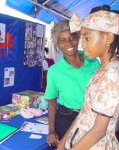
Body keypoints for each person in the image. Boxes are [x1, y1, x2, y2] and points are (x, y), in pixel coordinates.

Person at [58, 10, 119, 149]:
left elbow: (99, 131)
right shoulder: (101, 69)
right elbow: (84, 112)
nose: (82, 45)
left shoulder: (112, 74)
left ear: (108, 38)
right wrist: (63, 142)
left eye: (87, 38)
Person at [45, 20, 100, 147]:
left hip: (93, 118)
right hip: (67, 119)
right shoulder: (54, 71)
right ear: (57, 45)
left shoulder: (93, 62)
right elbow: (52, 101)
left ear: (78, 39)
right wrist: (52, 131)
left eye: (72, 38)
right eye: (63, 40)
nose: (69, 43)